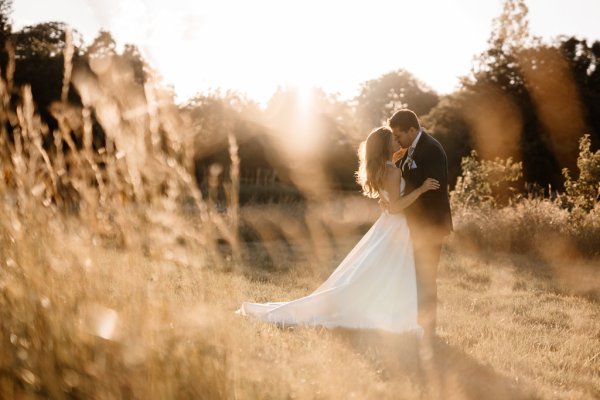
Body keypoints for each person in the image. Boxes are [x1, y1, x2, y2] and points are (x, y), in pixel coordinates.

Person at [236, 126, 440, 334]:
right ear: (386, 146)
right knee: (388, 270)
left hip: (386, 225)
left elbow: (387, 199)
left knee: (379, 270)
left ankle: (381, 306)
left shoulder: (382, 169)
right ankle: (385, 311)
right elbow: (396, 207)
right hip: (395, 225)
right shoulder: (394, 171)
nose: (397, 141)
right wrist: (422, 189)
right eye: (393, 139)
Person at [386, 109, 453, 340]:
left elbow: (431, 191)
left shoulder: (431, 149)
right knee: (414, 276)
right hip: (414, 227)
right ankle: (413, 322)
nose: (397, 140)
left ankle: (428, 330)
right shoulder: (410, 150)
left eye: (399, 135)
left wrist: (401, 202)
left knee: (425, 277)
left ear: (411, 130)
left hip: (430, 226)